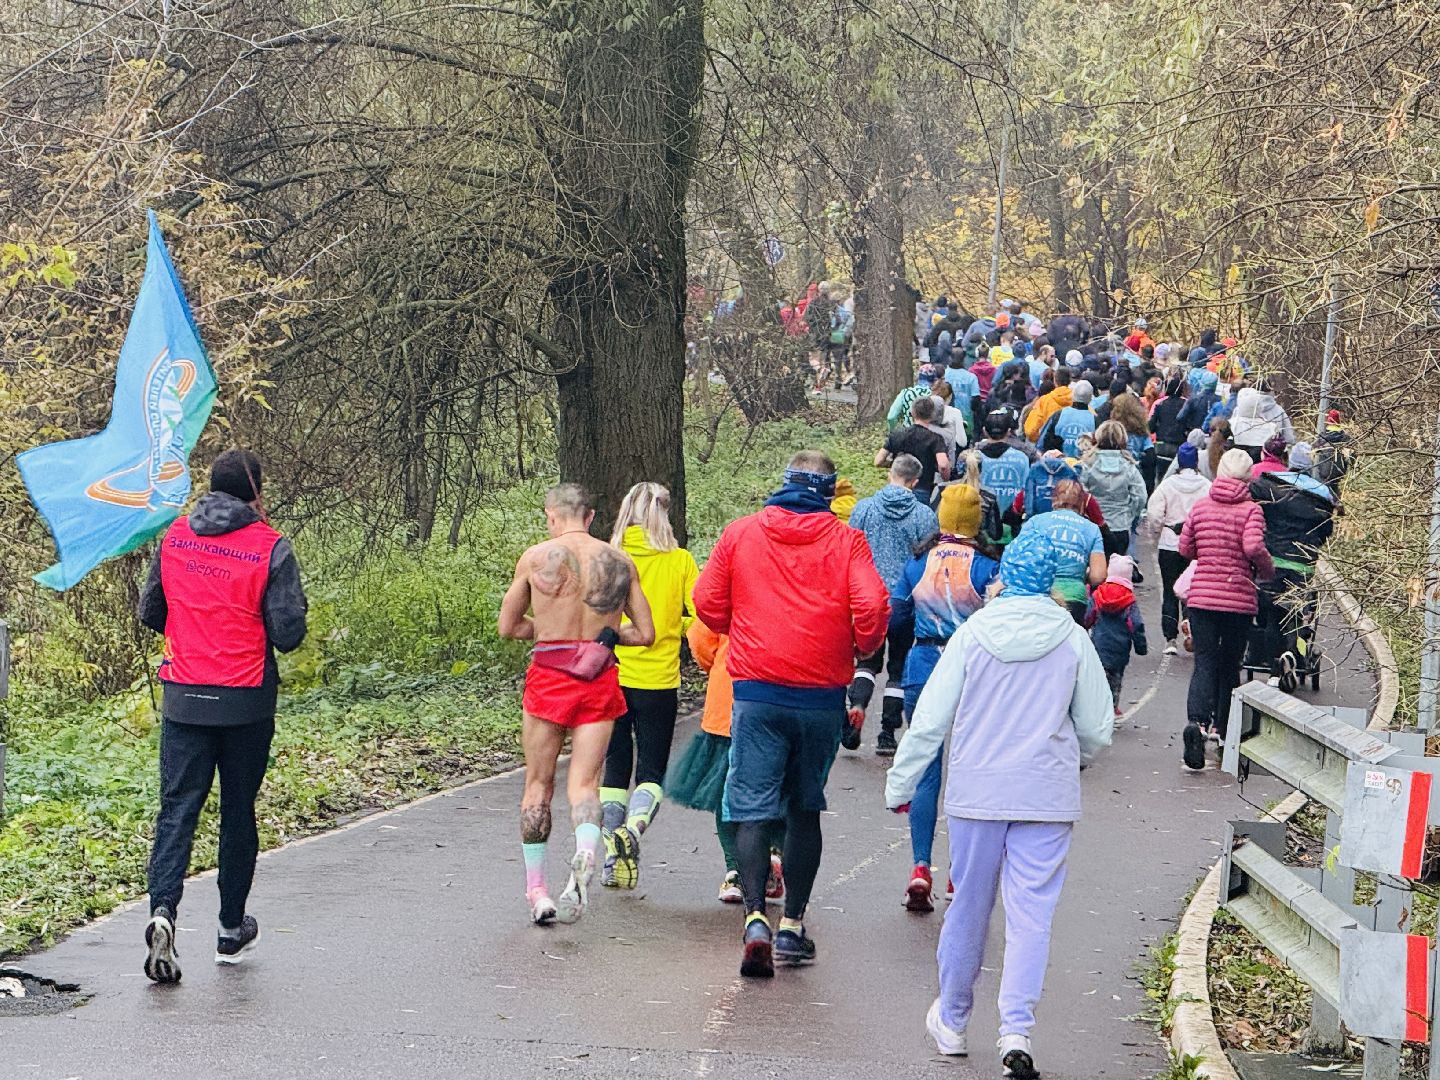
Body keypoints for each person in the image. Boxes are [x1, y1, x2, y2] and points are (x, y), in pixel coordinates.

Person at [885, 530, 1113, 1078]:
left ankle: (955, 1022)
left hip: (977, 792)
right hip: (1047, 795)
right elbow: (1098, 729)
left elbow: (932, 721)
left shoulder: (973, 634)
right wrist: (1069, 753)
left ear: (1006, 577)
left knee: (969, 905)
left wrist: (901, 783)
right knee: (1032, 915)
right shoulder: (1072, 637)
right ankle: (1017, 1029)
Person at [694, 451, 889, 977]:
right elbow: (871, 606)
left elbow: (707, 604)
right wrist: (860, 647)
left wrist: (746, 621)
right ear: (828, 492)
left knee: (751, 804)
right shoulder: (846, 540)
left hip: (756, 691)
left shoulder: (741, 534)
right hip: (820, 695)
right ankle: (792, 927)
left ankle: (755, 917)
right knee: (804, 808)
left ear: (783, 483)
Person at [137, 450, 308, 983]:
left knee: (177, 810)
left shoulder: (175, 538)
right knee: (238, 811)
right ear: (254, 492)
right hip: (245, 703)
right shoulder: (270, 547)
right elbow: (288, 633)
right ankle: (230, 929)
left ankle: (163, 911)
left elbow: (150, 612)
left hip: (185, 698)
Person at [499, 483, 656, 925]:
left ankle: (537, 892)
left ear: (552, 516)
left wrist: (548, 631)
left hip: (549, 679)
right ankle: (586, 851)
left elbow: (508, 627)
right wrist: (607, 635)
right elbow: (646, 633)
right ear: (590, 518)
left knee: (538, 787)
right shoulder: (618, 561)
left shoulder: (534, 559)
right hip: (598, 679)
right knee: (584, 786)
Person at [888, 485, 1000, 912]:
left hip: (923, 664)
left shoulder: (918, 562)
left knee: (926, 768)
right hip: (972, 671)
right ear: (976, 522)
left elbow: (897, 614)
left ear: (941, 519)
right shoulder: (989, 567)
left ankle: (920, 866)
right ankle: (958, 873)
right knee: (968, 770)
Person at [599, 483, 699, 890]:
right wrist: (678, 628)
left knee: (614, 768)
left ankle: (610, 858)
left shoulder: (609, 560)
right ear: (665, 513)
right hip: (658, 681)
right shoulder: (680, 561)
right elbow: (704, 612)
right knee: (651, 771)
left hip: (611, 675)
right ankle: (634, 833)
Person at [666, 621, 786, 904]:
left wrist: (720, 661)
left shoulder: (730, 583)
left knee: (725, 791)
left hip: (727, 699)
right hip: (778, 697)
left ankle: (735, 869)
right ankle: (771, 852)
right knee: (775, 783)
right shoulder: (793, 580)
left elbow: (699, 635)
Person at [1177, 450, 1274, 769]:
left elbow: (1185, 547)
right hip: (1237, 598)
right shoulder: (1251, 511)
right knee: (1230, 664)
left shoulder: (1202, 506)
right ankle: (1220, 729)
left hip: (1203, 598)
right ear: (1248, 478)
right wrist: (1265, 568)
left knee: (1203, 661)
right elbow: (1253, 547)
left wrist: (1206, 554)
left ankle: (1197, 723)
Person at [849, 455, 941, 755]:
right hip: (904, 601)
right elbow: (929, 560)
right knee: (898, 666)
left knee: (866, 661)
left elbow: (849, 549)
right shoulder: (924, 515)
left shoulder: (864, 509)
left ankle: (857, 706)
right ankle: (887, 734)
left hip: (867, 597)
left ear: (890, 473)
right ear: (915, 482)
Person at [1250, 444, 1337, 690]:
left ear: (1290, 462)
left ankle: (1275, 671)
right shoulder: (1321, 497)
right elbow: (1325, 533)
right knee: (1297, 614)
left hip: (1273, 562)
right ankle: (1295, 652)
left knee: (1273, 617)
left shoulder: (1271, 487)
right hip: (1302, 566)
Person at [1144, 442, 1211, 653]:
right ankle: (1192, 628)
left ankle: (1169, 639)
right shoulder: (1206, 486)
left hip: (1170, 542)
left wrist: (1154, 536)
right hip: (1196, 546)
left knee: (1170, 591)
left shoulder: (1167, 486)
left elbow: (1154, 515)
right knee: (1193, 589)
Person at [1018, 479, 1107, 623]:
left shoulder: (1035, 522)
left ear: (1054, 499)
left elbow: (1019, 560)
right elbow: (1098, 576)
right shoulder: (1092, 529)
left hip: (1038, 594)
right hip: (1074, 598)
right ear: (1082, 503)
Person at [1085, 555, 1149, 715]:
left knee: (1097, 675)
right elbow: (1136, 624)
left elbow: (1089, 615)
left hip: (1099, 643)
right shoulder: (1129, 600)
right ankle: (1112, 706)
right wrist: (1141, 646)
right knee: (1116, 677)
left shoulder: (1099, 594)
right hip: (1120, 647)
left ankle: (1095, 704)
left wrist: (1086, 626)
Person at [1080, 421, 1148, 561]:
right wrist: (1130, 514)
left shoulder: (1087, 464)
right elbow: (1141, 496)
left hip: (1093, 525)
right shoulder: (1129, 466)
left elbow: (1081, 492)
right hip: (1120, 525)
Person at [876, 395, 952, 504]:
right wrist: (946, 478)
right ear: (932, 415)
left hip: (897, 486)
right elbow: (943, 465)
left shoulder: (897, 435)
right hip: (922, 488)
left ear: (913, 413)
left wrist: (892, 464)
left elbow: (878, 461)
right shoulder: (935, 439)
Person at [1229, 376, 1295, 458]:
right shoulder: (1278, 410)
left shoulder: (1240, 408)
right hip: (1269, 455)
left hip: (1240, 454)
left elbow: (1232, 429)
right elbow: (1289, 438)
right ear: (1269, 389)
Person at [1041, 379, 1096, 457]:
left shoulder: (1058, 415)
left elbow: (1045, 442)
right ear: (1090, 398)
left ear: (1073, 395)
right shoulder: (1095, 419)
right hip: (1083, 465)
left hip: (1060, 464)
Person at [1150, 375, 1190, 479]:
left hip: (1160, 445)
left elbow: (1150, 427)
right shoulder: (1186, 404)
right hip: (1179, 446)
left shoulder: (1160, 404)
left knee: (1159, 477)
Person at [1024, 367, 1073, 443]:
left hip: (1048, 445)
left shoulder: (1044, 400)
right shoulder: (1078, 401)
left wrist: (1040, 440)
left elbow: (1031, 430)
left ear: (1055, 381)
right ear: (1070, 381)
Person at [929, 382, 969, 462]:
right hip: (948, 457)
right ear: (950, 396)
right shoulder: (955, 413)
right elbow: (962, 442)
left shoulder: (927, 411)